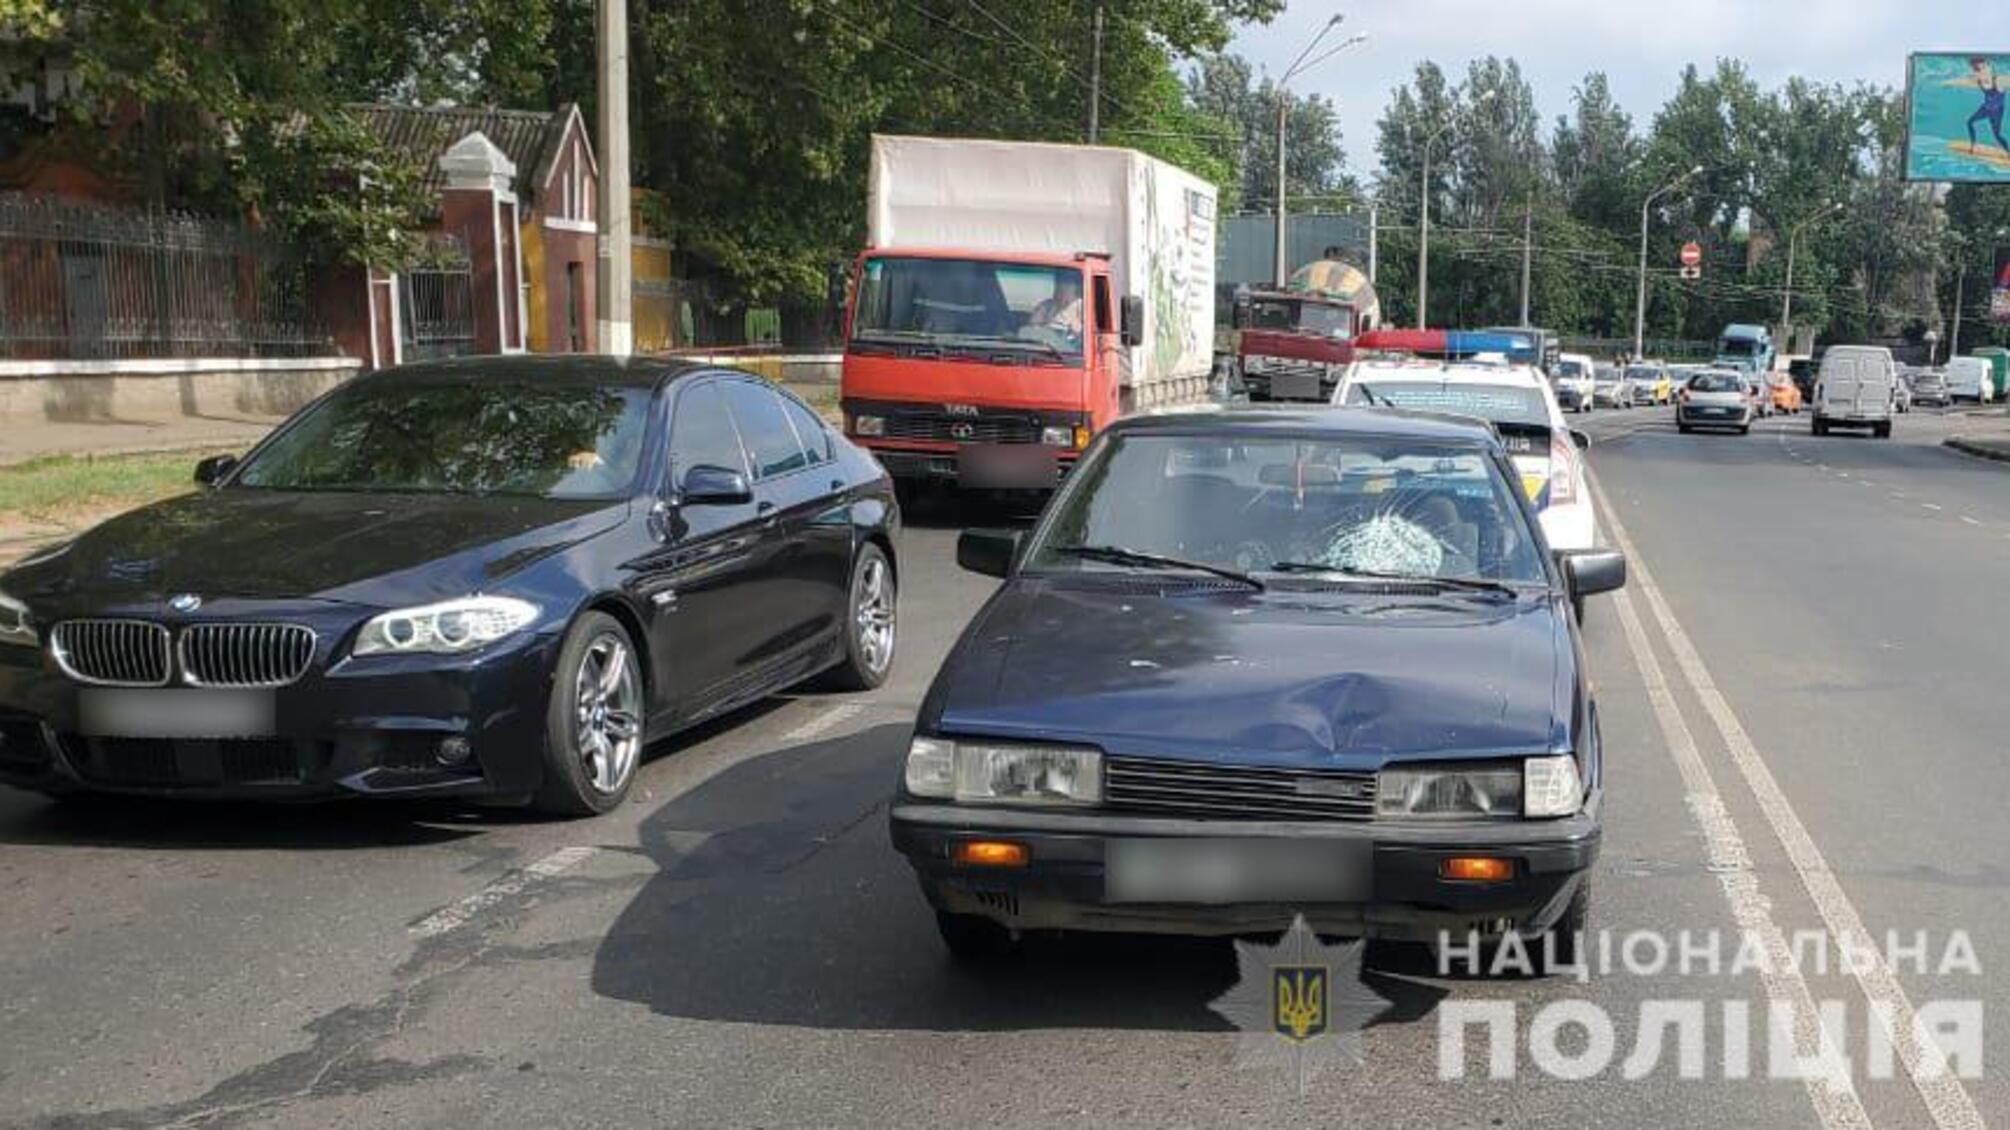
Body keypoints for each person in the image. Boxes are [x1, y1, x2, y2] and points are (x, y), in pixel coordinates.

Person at [1966, 57, 2009, 157]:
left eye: (1983, 68)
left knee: (1997, 135)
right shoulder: (1980, 80)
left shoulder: (1998, 80)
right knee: (1970, 122)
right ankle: (1973, 145)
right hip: (1985, 108)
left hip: (1996, 111)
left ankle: (2008, 152)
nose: (1981, 72)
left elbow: (2003, 85)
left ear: (1989, 67)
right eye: (1977, 70)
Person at [1028, 274, 1084, 341]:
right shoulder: (1046, 305)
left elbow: (1087, 332)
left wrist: (1076, 329)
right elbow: (1033, 325)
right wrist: (1045, 327)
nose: (1063, 289)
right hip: (1047, 342)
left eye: (1068, 285)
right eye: (1060, 286)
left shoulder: (1082, 306)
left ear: (1075, 288)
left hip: (1071, 344)